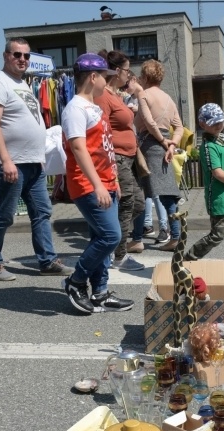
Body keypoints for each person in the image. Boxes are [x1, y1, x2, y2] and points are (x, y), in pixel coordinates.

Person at [0, 37, 73, 281]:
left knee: (42, 212)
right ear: (5, 56)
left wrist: (38, 155)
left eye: (26, 55)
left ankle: (47, 261)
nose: (22, 59)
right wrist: (6, 160)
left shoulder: (22, 84)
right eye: (17, 54)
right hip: (11, 164)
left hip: (32, 163)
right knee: (4, 216)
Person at [61, 53, 135, 314]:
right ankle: (75, 281)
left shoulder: (94, 108)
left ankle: (100, 293)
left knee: (99, 237)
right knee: (111, 236)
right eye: (105, 77)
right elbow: (79, 148)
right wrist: (99, 185)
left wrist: (113, 181)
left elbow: (104, 150)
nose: (108, 82)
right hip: (88, 185)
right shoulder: (75, 109)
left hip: (106, 183)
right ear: (93, 78)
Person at [94, 49, 146, 271]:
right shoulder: (103, 96)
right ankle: (119, 256)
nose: (129, 74)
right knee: (127, 203)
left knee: (139, 203)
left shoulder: (115, 95)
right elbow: (101, 129)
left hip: (128, 158)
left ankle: (110, 240)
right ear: (116, 71)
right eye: (126, 69)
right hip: (116, 158)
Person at [184, 103, 224, 261]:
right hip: (219, 199)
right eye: (214, 122)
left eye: (221, 121)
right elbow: (217, 173)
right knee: (217, 235)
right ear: (202, 124)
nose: (219, 125)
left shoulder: (223, 141)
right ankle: (189, 258)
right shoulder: (208, 146)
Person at [134, 59, 184, 251]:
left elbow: (148, 121)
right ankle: (176, 236)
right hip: (164, 148)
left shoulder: (144, 95)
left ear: (146, 77)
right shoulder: (168, 99)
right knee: (168, 195)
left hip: (148, 146)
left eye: (141, 75)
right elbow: (179, 127)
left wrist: (164, 143)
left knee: (140, 194)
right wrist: (171, 146)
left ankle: (137, 238)